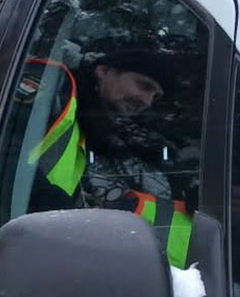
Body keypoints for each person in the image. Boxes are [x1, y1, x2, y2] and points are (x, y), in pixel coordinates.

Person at [21, 49, 194, 266]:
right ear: (103, 71)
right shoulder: (51, 94)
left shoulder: (123, 137)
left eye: (155, 96)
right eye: (144, 86)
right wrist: (74, 220)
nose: (147, 101)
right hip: (17, 249)